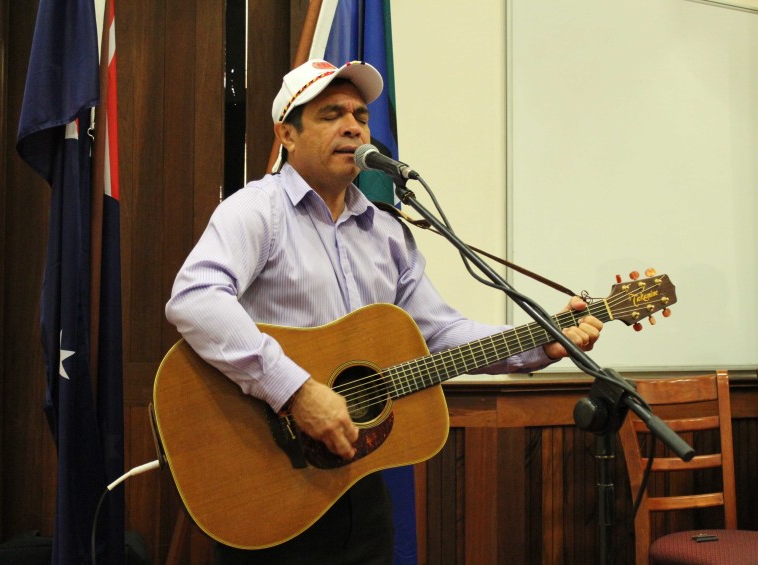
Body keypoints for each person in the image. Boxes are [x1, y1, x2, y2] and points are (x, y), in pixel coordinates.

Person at [165, 59, 603, 565]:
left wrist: (542, 341)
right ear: (287, 133)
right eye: (332, 114)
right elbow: (196, 297)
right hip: (266, 479)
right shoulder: (257, 211)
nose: (353, 125)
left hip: (360, 482)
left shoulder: (387, 232)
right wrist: (297, 391)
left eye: (361, 115)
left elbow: (440, 333)